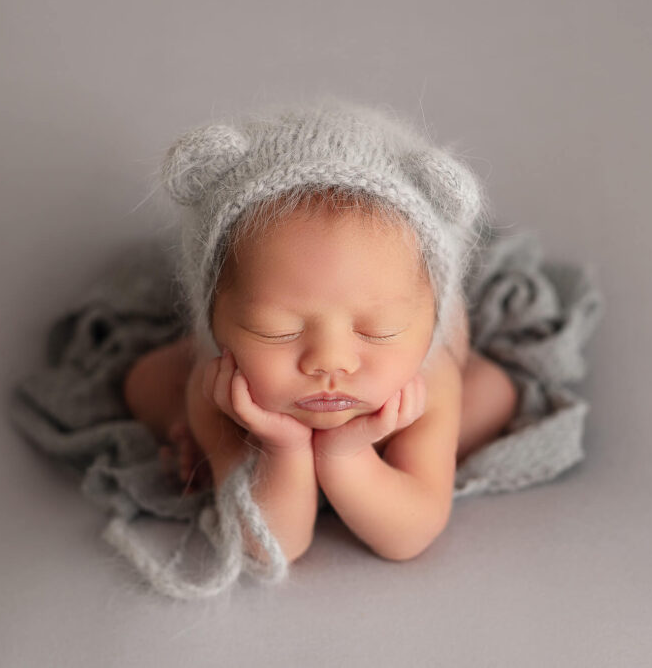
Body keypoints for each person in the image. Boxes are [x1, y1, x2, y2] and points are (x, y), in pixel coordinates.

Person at [122, 98, 520, 565]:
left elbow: (408, 536)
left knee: (495, 394)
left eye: (378, 331)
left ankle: (370, 461)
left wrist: (344, 454)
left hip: (428, 383)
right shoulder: (222, 384)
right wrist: (282, 447)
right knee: (146, 381)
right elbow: (270, 549)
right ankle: (240, 444)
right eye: (276, 330)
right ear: (214, 324)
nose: (329, 361)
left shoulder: (424, 384)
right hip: (240, 388)